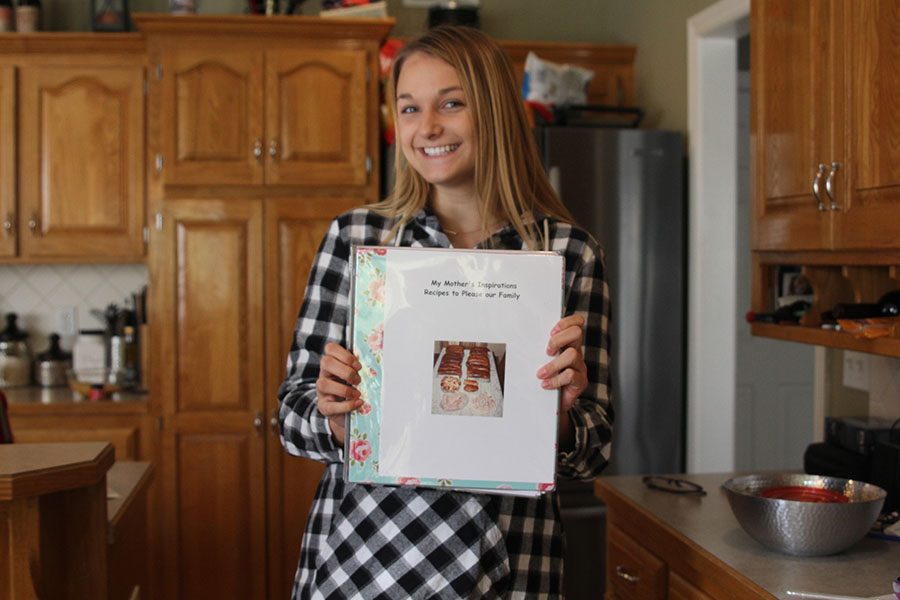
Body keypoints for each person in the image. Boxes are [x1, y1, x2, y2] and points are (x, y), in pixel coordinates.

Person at [278, 25, 613, 599]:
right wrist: (334, 416)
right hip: (369, 559)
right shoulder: (358, 239)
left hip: (511, 557)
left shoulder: (566, 255)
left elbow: (596, 448)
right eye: (409, 108)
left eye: (451, 103)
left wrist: (555, 414)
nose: (427, 127)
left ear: (496, 112)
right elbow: (292, 414)